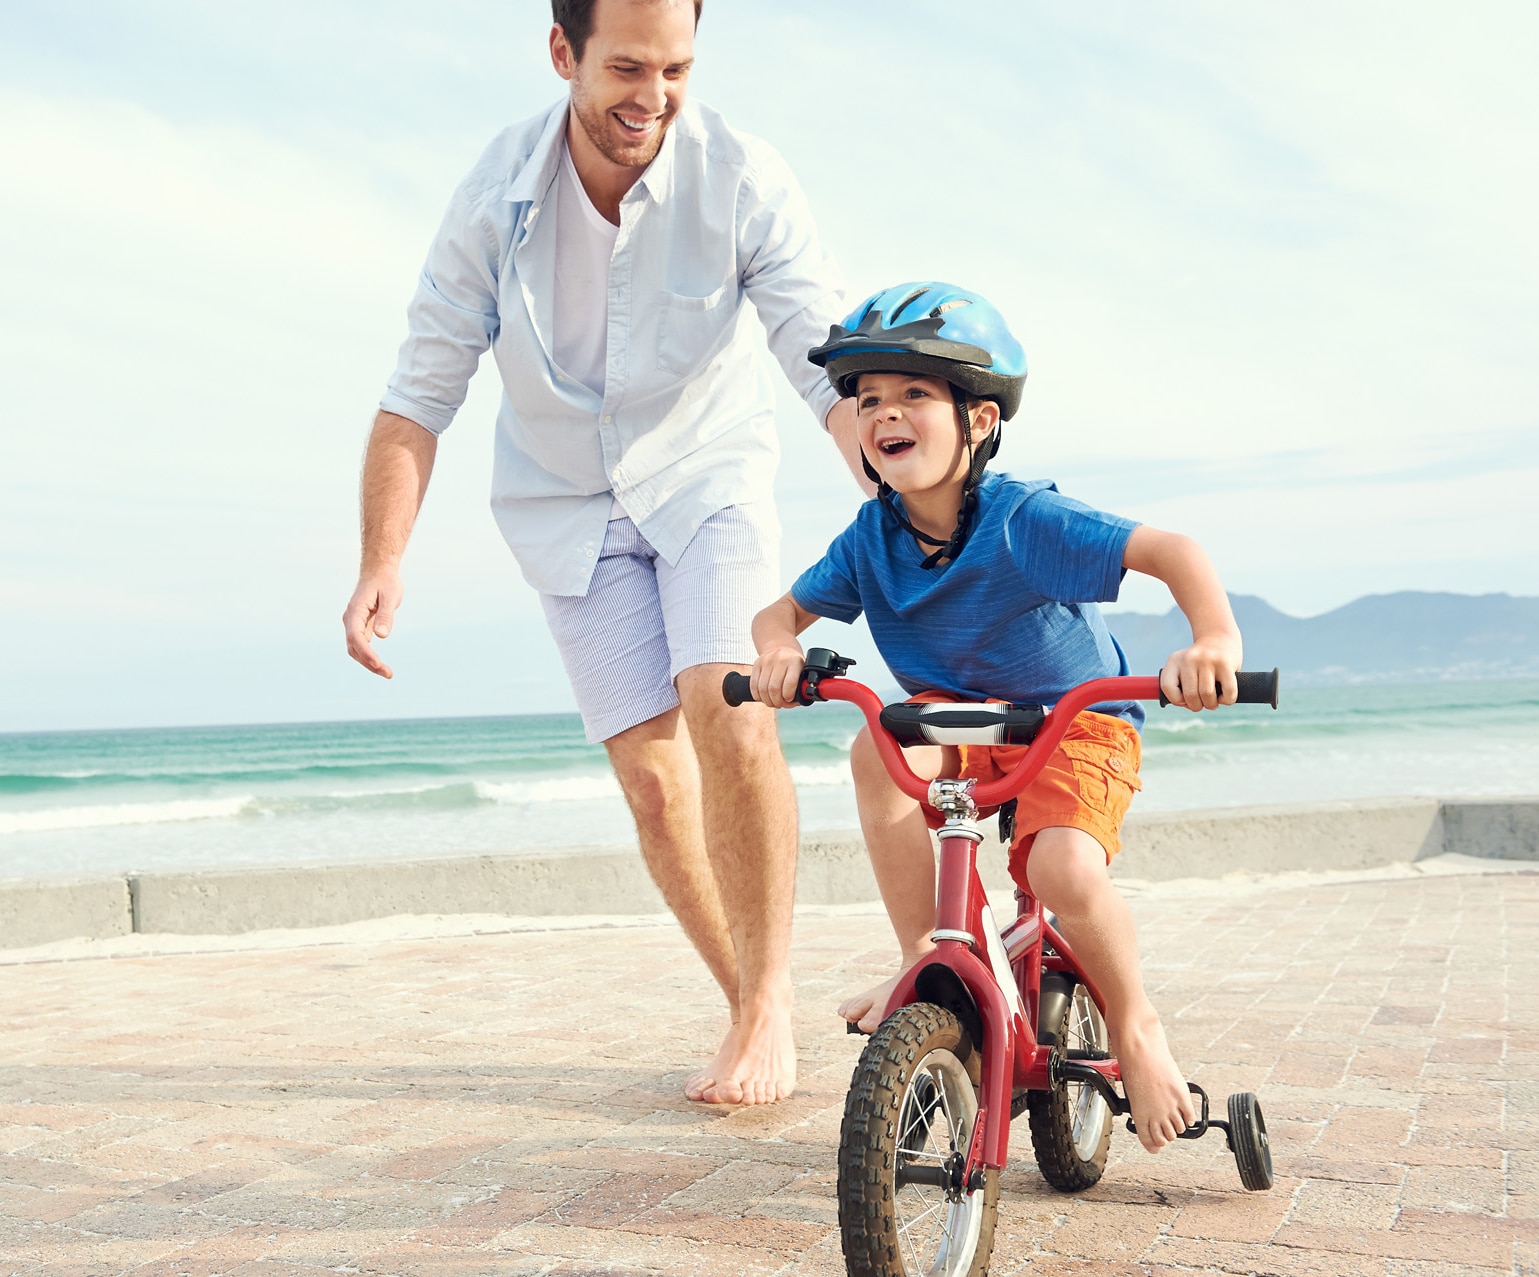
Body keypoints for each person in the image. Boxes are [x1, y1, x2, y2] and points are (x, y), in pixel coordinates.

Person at [341, 0, 862, 1106]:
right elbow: (415, 398)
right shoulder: (494, 199)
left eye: (677, 68)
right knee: (654, 789)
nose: (655, 97)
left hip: (705, 475)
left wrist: (895, 480)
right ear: (563, 54)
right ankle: (744, 1004)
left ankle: (770, 1003)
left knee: (724, 706)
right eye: (628, 67)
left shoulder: (740, 176)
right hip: (565, 501)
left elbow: (822, 357)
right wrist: (382, 560)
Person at [748, 281, 1245, 1150]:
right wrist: (777, 654)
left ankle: (1135, 1023)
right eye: (867, 401)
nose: (882, 414)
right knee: (879, 746)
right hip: (963, 718)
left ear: (977, 422)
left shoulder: (1025, 521)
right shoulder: (872, 538)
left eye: (912, 395)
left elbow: (1172, 551)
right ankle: (928, 958)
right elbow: (776, 616)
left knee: (1057, 868)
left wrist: (1212, 638)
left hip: (1072, 718)